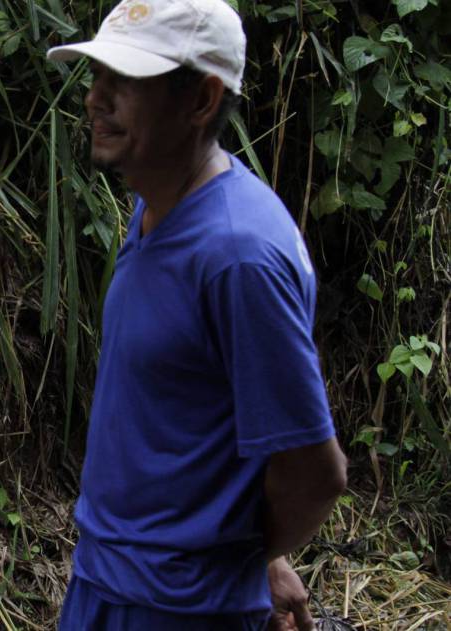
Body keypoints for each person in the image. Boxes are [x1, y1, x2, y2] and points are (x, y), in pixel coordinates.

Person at [46, 0, 347, 629]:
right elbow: (202, 420)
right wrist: (259, 559)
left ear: (202, 100)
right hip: (106, 583)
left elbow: (315, 474)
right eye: (98, 75)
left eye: (125, 81)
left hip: (177, 611)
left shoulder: (236, 256)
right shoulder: (157, 206)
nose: (96, 98)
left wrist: (243, 559)